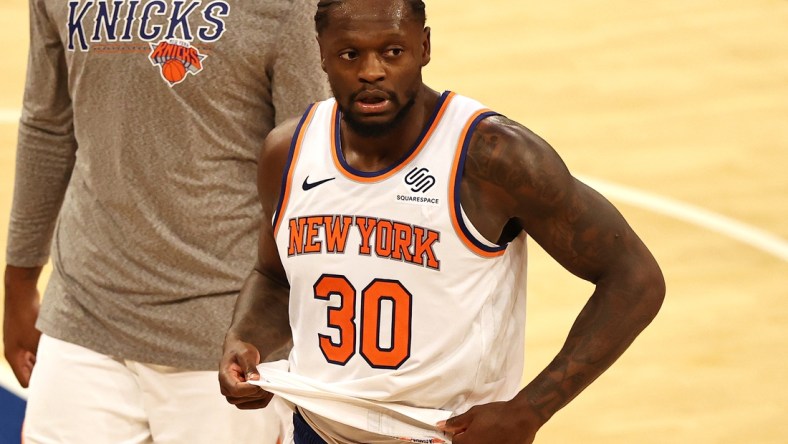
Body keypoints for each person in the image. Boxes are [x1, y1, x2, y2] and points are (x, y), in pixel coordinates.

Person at [218, 0, 666, 442]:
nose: (371, 70)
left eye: (392, 51)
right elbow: (275, 276)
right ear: (321, 53)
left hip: (442, 434)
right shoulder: (288, 151)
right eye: (350, 53)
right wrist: (246, 337)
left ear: (425, 46)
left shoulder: (491, 155)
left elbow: (634, 278)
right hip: (317, 427)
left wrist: (533, 407)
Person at [3, 0, 329, 442]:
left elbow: (313, 163)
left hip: (228, 335)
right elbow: (47, 126)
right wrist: (20, 280)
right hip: (83, 314)